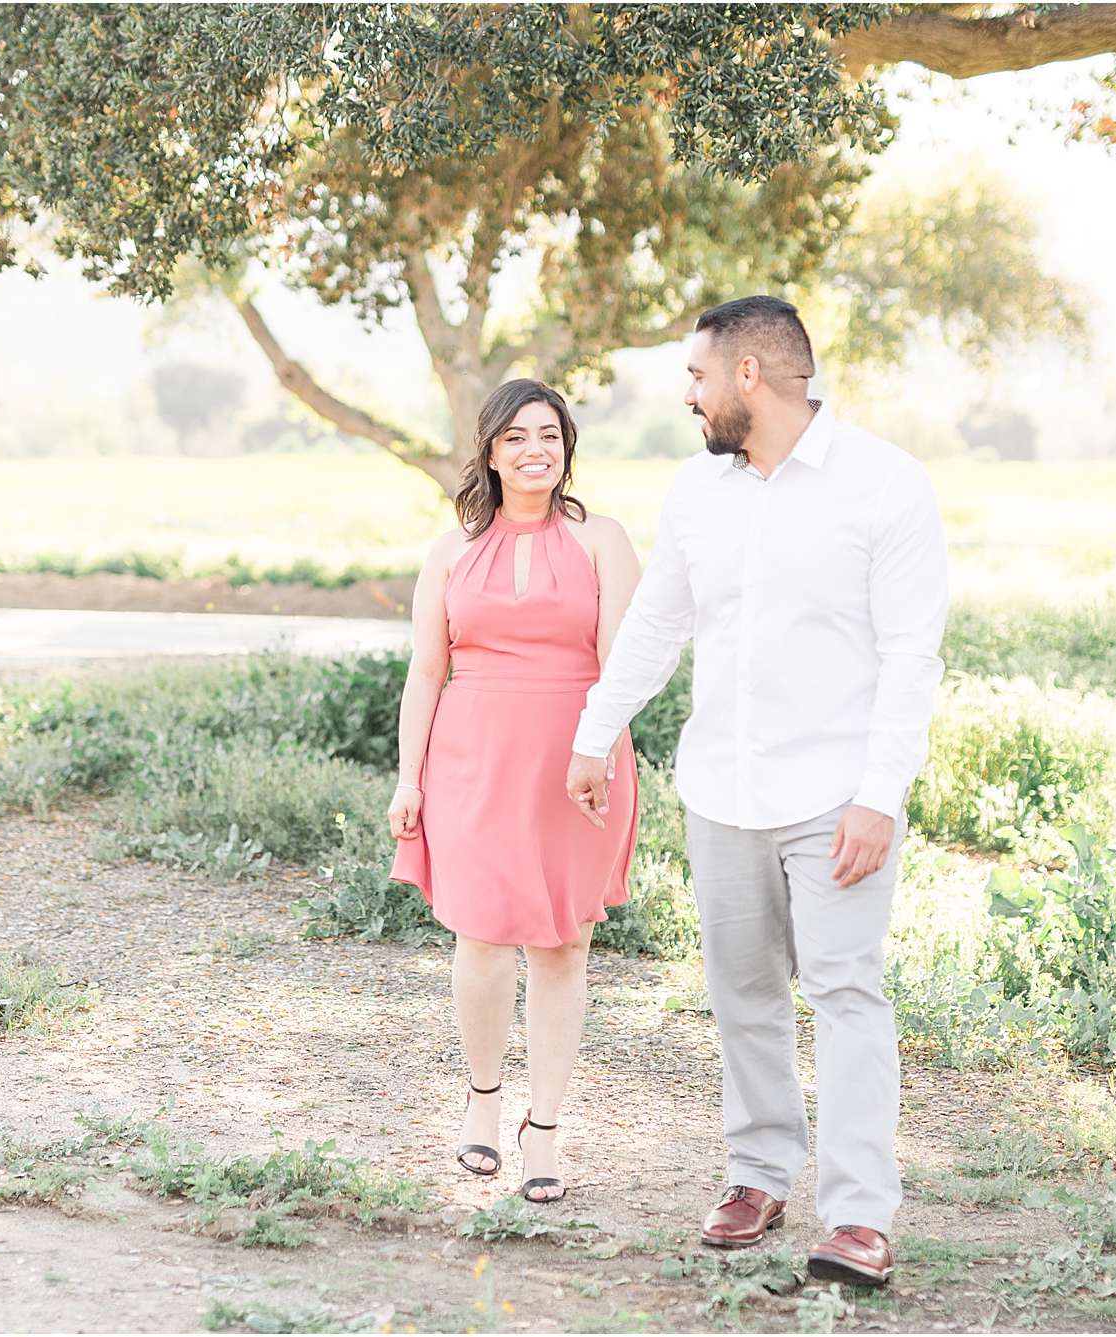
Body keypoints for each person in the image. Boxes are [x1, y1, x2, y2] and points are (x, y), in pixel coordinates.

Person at [565, 296, 948, 1285]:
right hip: (720, 786)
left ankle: (858, 1214)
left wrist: (880, 793)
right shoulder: (697, 491)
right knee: (740, 994)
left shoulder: (883, 484)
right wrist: (594, 734)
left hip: (836, 792)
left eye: (695, 376)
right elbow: (654, 624)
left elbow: (910, 655)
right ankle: (757, 1170)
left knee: (845, 992)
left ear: (747, 376)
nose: (685, 396)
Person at [388, 378, 643, 1204]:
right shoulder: (451, 551)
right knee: (485, 937)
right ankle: (483, 1100)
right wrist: (407, 777)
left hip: (580, 761)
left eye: (551, 435)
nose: (536, 450)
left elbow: (624, 666)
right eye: (517, 438)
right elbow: (427, 671)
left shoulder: (603, 539)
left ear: (568, 446)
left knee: (563, 944)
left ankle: (546, 1127)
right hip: (473, 761)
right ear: (490, 452)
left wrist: (593, 748)